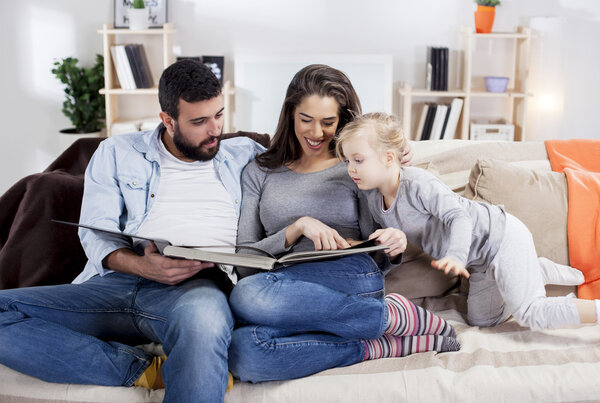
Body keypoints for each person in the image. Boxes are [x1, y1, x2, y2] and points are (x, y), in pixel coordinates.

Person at [0, 60, 265, 402]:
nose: (214, 129)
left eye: (218, 115)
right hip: (116, 284)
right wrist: (142, 266)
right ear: (167, 120)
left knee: (205, 326)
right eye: (198, 121)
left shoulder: (245, 153)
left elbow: (303, 174)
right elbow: (96, 233)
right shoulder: (117, 152)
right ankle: (137, 369)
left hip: (197, 288)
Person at [228, 64, 460, 384]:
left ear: (343, 120)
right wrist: (297, 228)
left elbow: (378, 243)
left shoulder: (355, 165)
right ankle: (378, 340)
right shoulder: (259, 171)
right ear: (290, 115)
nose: (316, 133)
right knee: (244, 351)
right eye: (306, 120)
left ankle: (386, 315)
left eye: (328, 122)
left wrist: (391, 243)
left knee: (246, 297)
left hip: (351, 276)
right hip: (280, 293)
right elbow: (244, 261)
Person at [336, 111, 600, 331]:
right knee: (482, 320)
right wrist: (356, 244)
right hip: (481, 263)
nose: (351, 169)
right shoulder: (372, 197)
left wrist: (456, 255)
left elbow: (458, 216)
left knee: (532, 313)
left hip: (500, 236)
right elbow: (377, 239)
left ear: (388, 157)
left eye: (358, 160)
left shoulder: (417, 182)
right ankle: (533, 271)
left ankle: (593, 309)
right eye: (348, 161)